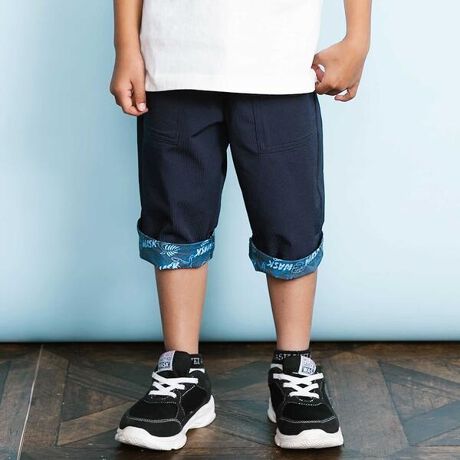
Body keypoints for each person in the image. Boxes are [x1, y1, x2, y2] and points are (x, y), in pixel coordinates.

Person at [110, 0, 371, 451]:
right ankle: (182, 373)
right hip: (172, 59)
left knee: (290, 217)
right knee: (175, 216)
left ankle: (294, 368)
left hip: (279, 62)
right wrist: (125, 46)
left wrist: (358, 38)